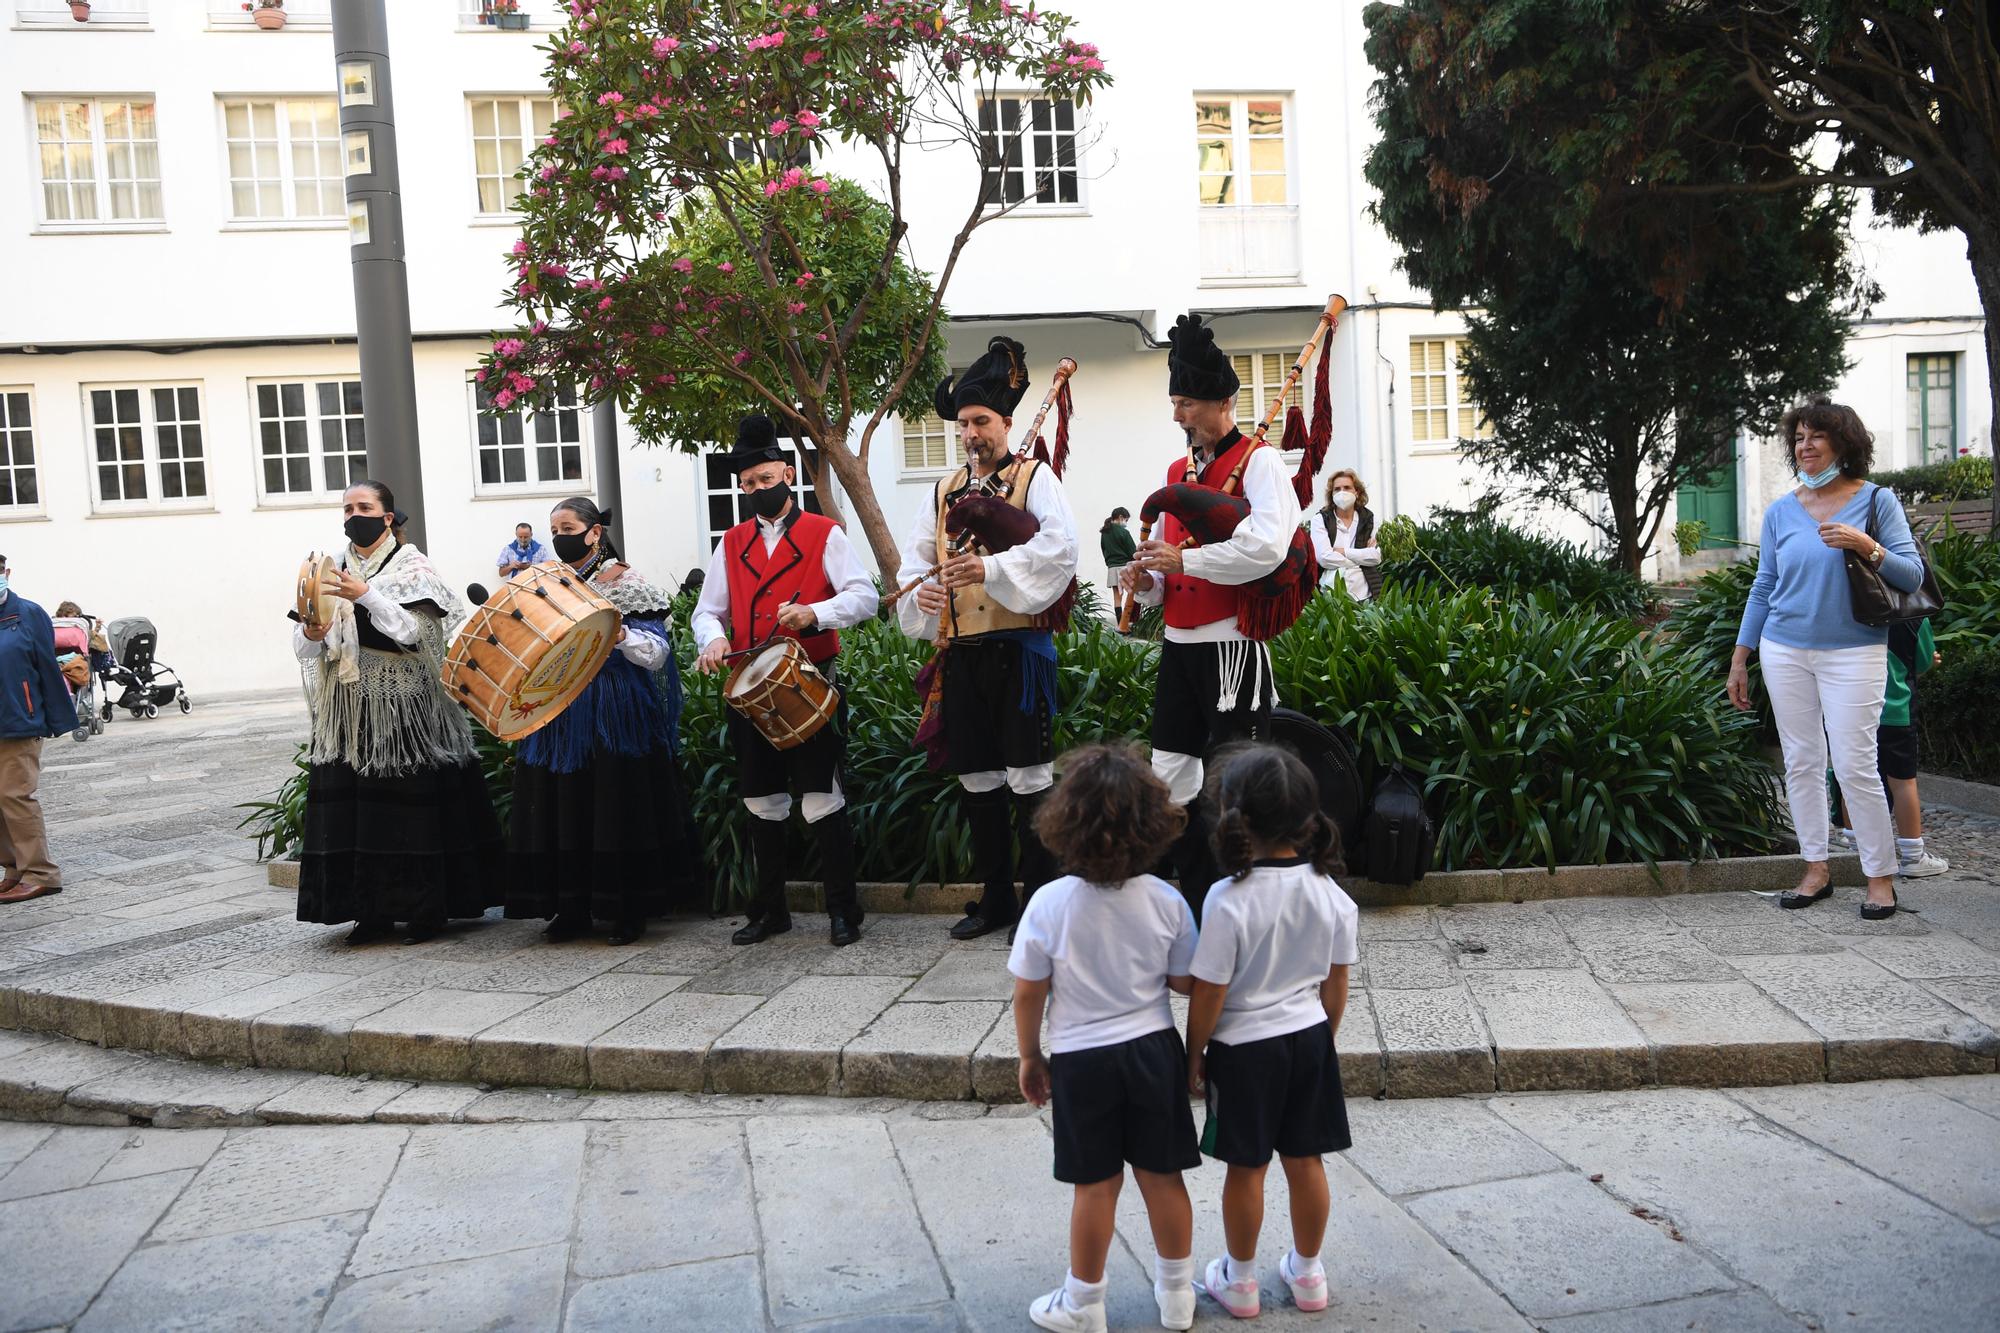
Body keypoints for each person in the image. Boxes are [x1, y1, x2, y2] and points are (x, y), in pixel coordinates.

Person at [1009, 743, 1199, 1333]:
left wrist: (1029, 1055)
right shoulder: (1167, 902)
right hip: (1152, 1051)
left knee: (1095, 1187)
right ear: (1153, 825)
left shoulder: (1047, 903)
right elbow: (1185, 981)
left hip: (1081, 1058)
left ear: (1064, 822)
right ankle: (1177, 1299)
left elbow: (1028, 992)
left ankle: (1084, 1304)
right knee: (1163, 1178)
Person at [896, 336, 1080, 941]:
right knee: (978, 778)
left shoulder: (1035, 478)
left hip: (1018, 653)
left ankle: (1041, 905)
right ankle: (996, 899)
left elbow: (1060, 551)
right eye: (965, 423)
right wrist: (920, 590)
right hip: (964, 654)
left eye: (982, 421)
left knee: (1029, 779)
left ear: (1006, 422)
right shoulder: (946, 489)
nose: (972, 432)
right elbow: (917, 560)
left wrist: (992, 568)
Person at [1122, 313, 1301, 920]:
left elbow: (1267, 548)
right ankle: (1193, 904)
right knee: (1171, 774)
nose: (1179, 415)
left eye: (1189, 402)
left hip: (1230, 648)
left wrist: (1187, 558)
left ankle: (1249, 908)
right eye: (1175, 402)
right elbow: (1173, 569)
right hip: (1178, 645)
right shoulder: (1178, 473)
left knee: (1237, 781)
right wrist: (1146, 579)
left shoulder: (1259, 464)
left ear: (1224, 402)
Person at [1727, 399, 1924, 921]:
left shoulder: (1876, 502)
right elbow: (1764, 586)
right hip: (1785, 649)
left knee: (1856, 764)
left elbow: (1912, 576)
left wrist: (1867, 545)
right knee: (1801, 761)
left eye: (1816, 437)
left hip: (1855, 651)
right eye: (1798, 438)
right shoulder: (1780, 511)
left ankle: (1879, 878)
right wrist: (1742, 656)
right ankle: (1815, 869)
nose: (1805, 446)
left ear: (1845, 444)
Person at [1183, 744, 1358, 1320]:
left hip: (1242, 1051)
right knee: (1307, 1162)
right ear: (1308, 818)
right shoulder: (1332, 894)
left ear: (1235, 817)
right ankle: (1308, 1275)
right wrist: (1322, 1040)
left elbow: (1208, 992)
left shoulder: (1227, 900)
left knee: (1247, 1168)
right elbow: (1336, 986)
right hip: (1308, 1039)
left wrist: (1194, 1053)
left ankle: (1240, 1283)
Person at [693, 414, 879, 947]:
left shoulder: (825, 532)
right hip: (749, 689)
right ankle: (769, 910)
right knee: (761, 801)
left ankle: (845, 911)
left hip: (809, 679)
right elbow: (708, 610)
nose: (756, 490)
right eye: (748, 484)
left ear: (787, 477)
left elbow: (864, 597)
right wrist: (712, 638)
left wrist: (815, 613)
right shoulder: (730, 542)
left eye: (765, 480)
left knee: (822, 797)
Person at [293, 482, 504, 944]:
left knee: (409, 813)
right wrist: (313, 628)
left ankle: (427, 912)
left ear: (388, 517)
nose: (354, 515)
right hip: (350, 711)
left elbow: (416, 636)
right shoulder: (329, 568)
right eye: (348, 507)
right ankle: (370, 913)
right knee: (359, 814)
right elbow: (306, 649)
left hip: (406, 708)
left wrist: (366, 594)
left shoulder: (413, 567)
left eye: (365, 507)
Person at [505, 496, 702, 945]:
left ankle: (626, 909)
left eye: (568, 527)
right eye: (553, 529)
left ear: (595, 533)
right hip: (558, 711)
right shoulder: (546, 583)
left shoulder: (627, 581)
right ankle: (570, 907)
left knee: (617, 803)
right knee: (564, 803)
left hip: (617, 709)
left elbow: (657, 656)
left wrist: (621, 634)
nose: (559, 536)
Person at [1835, 618, 1948, 878]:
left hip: (1854, 709)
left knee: (1853, 776)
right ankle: (1912, 855)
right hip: (1895, 711)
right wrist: (1931, 662)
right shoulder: (1913, 616)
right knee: (1903, 782)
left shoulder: (1847, 608)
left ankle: (1855, 850)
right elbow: (1920, 661)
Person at [0, 557, 78, 903]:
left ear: (6, 573)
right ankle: (14, 867)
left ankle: (41, 873)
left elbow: (47, 668)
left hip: (19, 721)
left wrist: (54, 718)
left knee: (15, 797)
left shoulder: (29, 614)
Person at [1307, 469, 1382, 600]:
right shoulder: (1321, 520)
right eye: (1337, 489)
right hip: (1330, 596)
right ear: (1332, 494)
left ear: (1356, 492)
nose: (1342, 492)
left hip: (1365, 596)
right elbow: (1324, 558)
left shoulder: (1369, 519)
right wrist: (1361, 558)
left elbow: (1376, 556)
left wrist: (1342, 551)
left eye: (1347, 488)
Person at [1099, 507, 1136, 605]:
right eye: (1126, 520)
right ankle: (1128, 619)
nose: (1126, 523)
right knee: (1131, 593)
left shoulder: (1104, 533)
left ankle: (1119, 620)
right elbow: (1133, 552)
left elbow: (1104, 549)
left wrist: (1109, 563)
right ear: (1120, 517)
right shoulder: (1124, 532)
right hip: (1125, 567)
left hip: (1112, 568)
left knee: (1117, 597)